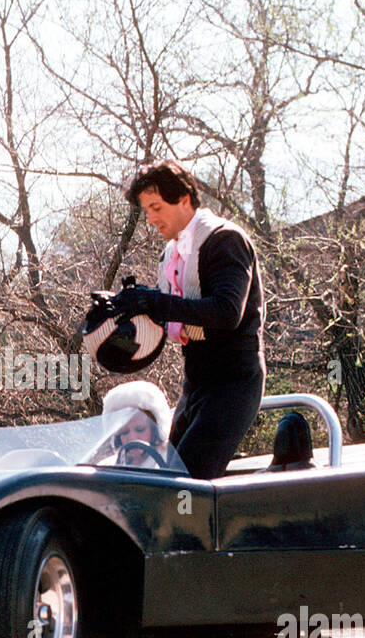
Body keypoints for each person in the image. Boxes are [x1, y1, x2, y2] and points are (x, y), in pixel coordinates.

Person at [111, 160, 265, 479]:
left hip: (234, 381)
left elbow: (226, 312)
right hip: (195, 382)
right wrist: (123, 313)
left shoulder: (225, 240)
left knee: (187, 484)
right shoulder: (171, 253)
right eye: (146, 210)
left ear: (183, 199)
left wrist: (155, 301)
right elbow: (170, 312)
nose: (150, 218)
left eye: (156, 207)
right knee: (164, 478)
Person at [101, 380, 179, 469]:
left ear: (155, 430)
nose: (132, 438)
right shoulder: (107, 468)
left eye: (140, 429)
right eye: (124, 432)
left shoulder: (172, 465)